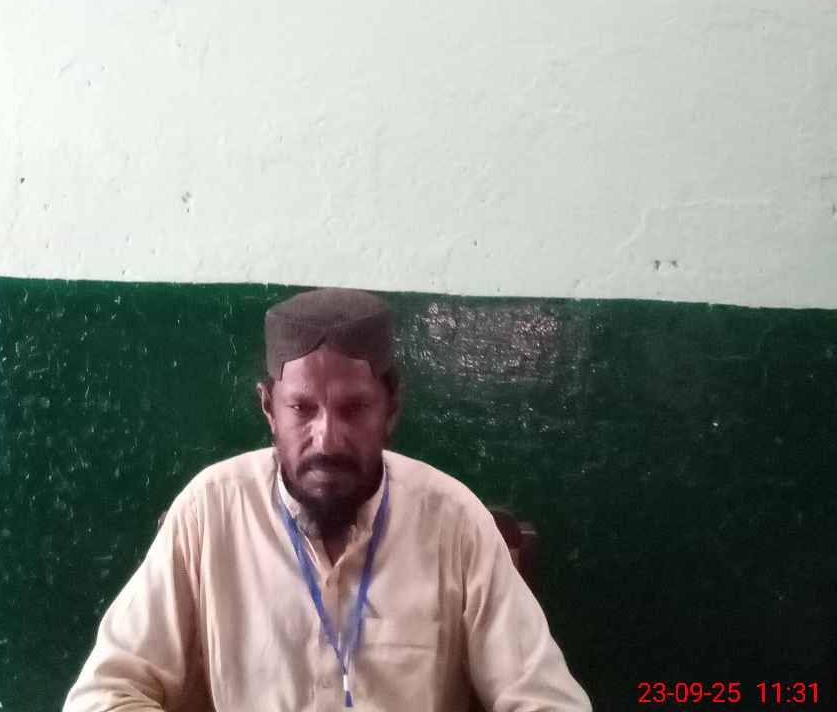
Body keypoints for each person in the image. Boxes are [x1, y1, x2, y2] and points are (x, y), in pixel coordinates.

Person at [63, 288, 591, 711]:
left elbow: (546, 700)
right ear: (269, 409)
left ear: (391, 408)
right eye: (302, 408)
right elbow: (103, 694)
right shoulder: (211, 511)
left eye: (354, 409)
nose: (327, 439)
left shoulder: (453, 521)